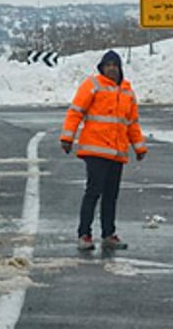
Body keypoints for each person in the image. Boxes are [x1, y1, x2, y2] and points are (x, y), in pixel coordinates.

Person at [60, 50, 148, 251]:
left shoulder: (127, 92)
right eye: (107, 65)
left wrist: (139, 146)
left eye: (114, 65)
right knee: (93, 192)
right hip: (95, 150)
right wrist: (67, 138)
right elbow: (75, 112)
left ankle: (108, 234)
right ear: (102, 67)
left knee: (111, 195)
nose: (111, 68)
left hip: (117, 153)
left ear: (120, 68)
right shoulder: (93, 85)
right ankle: (84, 234)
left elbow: (132, 123)